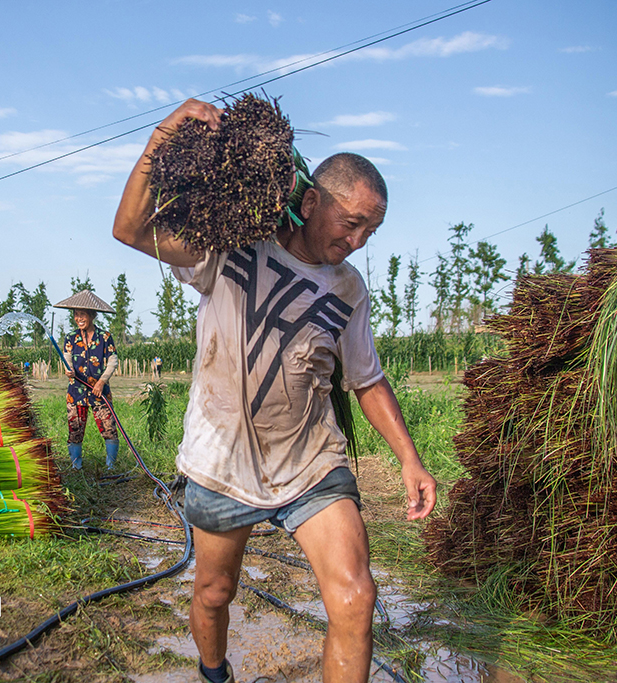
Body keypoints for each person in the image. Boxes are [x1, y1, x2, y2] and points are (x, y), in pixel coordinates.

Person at [112, 99, 437, 683]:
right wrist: (169, 130)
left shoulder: (348, 289)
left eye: (371, 229)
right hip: (221, 458)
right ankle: (216, 674)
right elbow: (130, 230)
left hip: (310, 461)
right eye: (351, 222)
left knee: (355, 598)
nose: (359, 240)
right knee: (214, 593)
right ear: (311, 201)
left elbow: (366, 379)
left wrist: (410, 458)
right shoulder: (232, 248)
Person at [54, 290, 120, 470]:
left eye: (82, 314)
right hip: (76, 392)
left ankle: (110, 466)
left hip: (99, 392)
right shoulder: (71, 338)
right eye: (76, 314)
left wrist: (102, 381)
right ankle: (76, 467)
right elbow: (67, 357)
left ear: (91, 315)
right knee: (75, 430)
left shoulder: (104, 337)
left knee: (109, 429)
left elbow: (113, 360)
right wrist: (69, 370)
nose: (78, 318)